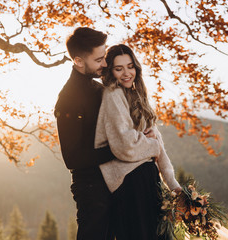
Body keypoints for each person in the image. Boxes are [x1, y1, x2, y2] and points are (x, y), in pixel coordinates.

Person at [95, 44, 182, 240]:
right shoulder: (112, 95)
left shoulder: (137, 95)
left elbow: (156, 140)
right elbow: (124, 145)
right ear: (111, 71)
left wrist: (172, 183)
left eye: (130, 66)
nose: (127, 73)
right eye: (119, 69)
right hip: (129, 183)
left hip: (147, 179)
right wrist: (151, 144)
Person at [54, 27, 116, 240]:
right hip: (91, 191)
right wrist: (118, 150)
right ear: (79, 61)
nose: (105, 64)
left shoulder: (99, 88)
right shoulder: (68, 98)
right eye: (99, 60)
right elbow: (72, 158)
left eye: (105, 57)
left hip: (111, 182)